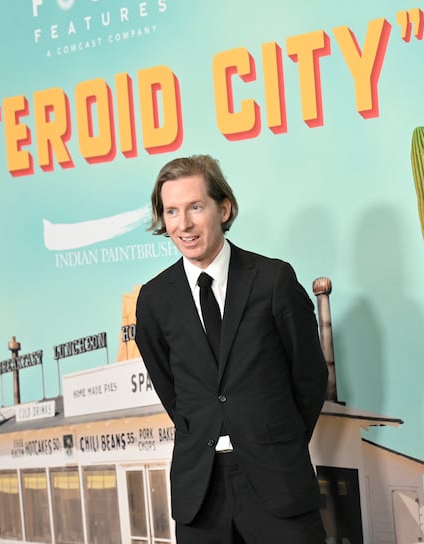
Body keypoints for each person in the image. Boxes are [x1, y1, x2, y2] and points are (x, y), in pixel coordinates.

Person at [135, 154, 328, 543]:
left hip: (278, 484)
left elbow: (310, 377)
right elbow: (172, 391)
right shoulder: (154, 300)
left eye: (195, 207)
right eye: (171, 211)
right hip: (200, 494)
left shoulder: (273, 280)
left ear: (223, 208)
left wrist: (273, 439)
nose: (183, 224)